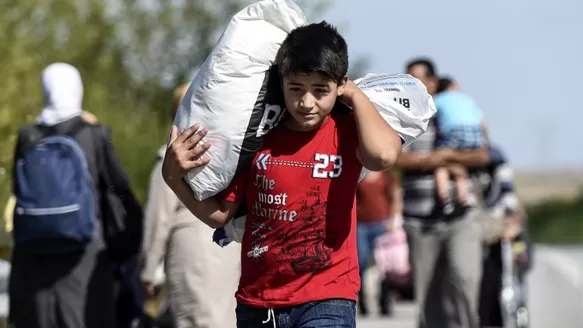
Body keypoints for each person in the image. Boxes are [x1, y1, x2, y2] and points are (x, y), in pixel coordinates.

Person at [161, 21, 402, 328]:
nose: (306, 102)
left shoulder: (347, 130)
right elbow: (220, 214)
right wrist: (172, 177)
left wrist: (352, 94)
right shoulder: (258, 137)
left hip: (327, 298)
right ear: (282, 82)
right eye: (296, 89)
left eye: (320, 90)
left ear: (340, 84)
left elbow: (383, 155)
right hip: (259, 303)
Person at [10, 62, 140, 328]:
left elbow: (17, 188)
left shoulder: (28, 137)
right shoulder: (94, 135)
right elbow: (119, 186)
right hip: (86, 255)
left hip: (34, 259)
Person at [398, 58, 490, 328]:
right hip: (419, 221)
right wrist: (437, 161)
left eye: (417, 79)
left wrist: (445, 156)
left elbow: (482, 154)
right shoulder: (403, 117)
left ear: (432, 83)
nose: (411, 85)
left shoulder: (457, 113)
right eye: (408, 79)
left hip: (461, 218)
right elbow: (393, 158)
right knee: (428, 296)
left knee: (464, 281)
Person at [140, 83, 241, 328]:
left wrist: (148, 271)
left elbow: (157, 221)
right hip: (229, 254)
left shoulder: (171, 162)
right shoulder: (227, 157)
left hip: (190, 259)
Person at [479, 145, 532, 328]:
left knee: (518, 253)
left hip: (505, 235)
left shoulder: (496, 159)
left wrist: (511, 224)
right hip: (485, 234)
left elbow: (510, 200)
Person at [432, 76, 485, 209]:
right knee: (460, 166)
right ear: (453, 85)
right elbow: (482, 123)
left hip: (454, 132)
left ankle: (444, 198)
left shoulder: (438, 99)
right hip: (474, 134)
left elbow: (427, 114)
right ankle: (463, 198)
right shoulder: (466, 98)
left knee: (441, 166)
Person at [355, 170, 402, 317]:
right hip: (361, 225)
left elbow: (394, 197)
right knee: (361, 262)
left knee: (384, 266)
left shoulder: (385, 175)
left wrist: (393, 219)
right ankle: (362, 301)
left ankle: (384, 301)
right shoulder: (360, 174)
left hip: (381, 224)